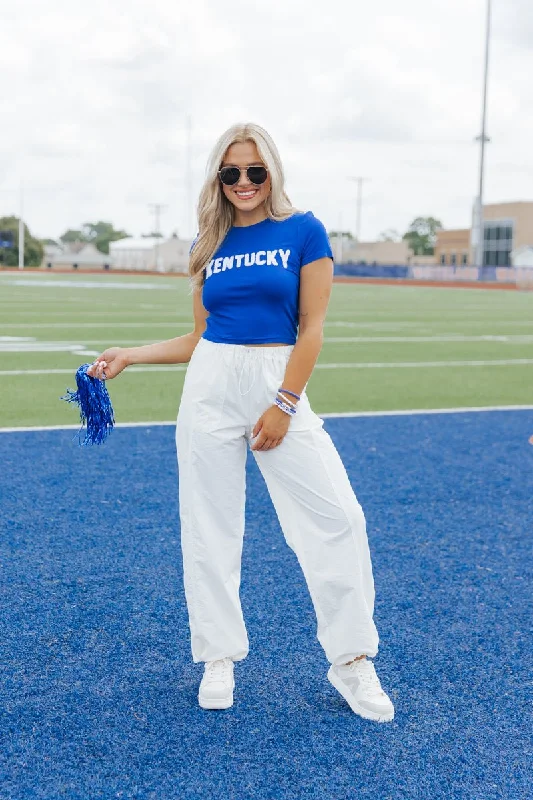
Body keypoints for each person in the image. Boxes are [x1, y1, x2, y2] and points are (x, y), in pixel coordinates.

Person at [88, 122, 394, 723]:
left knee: (337, 518)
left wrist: (283, 404)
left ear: (272, 171)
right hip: (209, 386)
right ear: (218, 178)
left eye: (255, 171)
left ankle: (352, 660)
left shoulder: (303, 230)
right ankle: (219, 656)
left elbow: (311, 329)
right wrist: (131, 354)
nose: (245, 182)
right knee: (209, 525)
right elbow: (200, 337)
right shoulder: (209, 243)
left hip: (276, 381)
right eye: (232, 173)